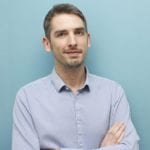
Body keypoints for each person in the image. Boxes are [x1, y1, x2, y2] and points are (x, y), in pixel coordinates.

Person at [12, 3, 139, 150]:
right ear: (47, 44)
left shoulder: (113, 93)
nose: (73, 42)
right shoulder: (27, 98)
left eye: (79, 33)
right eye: (62, 34)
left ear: (88, 39)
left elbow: (132, 147)